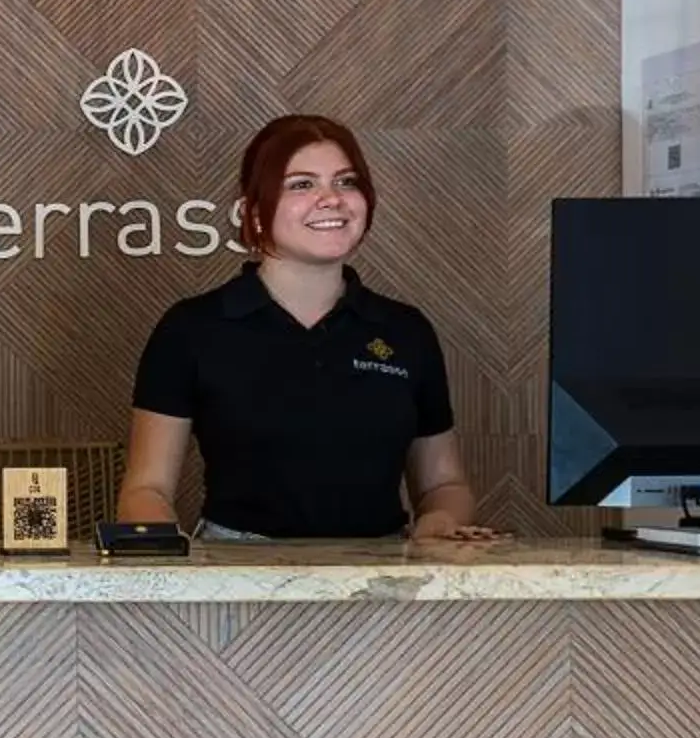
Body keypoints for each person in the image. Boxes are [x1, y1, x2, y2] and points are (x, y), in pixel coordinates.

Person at [116, 114, 503, 543]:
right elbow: (146, 489)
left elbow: (442, 485)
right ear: (253, 210)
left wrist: (438, 525)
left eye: (346, 182)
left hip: (385, 582)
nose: (331, 198)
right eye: (302, 184)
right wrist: (158, 556)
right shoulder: (193, 329)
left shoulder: (405, 331)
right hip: (234, 575)